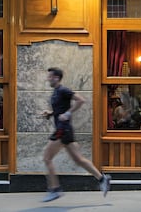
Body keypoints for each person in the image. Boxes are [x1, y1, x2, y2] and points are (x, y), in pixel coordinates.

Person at [41, 67, 111, 202]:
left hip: (62, 130)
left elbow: (80, 100)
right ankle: (103, 179)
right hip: (65, 130)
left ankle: (54, 189)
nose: (48, 79)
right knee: (78, 159)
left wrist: (68, 114)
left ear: (56, 78)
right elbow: (60, 109)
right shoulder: (56, 92)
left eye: (50, 77)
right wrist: (50, 113)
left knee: (47, 158)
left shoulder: (63, 90)